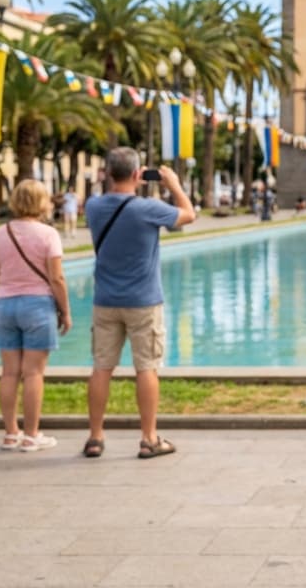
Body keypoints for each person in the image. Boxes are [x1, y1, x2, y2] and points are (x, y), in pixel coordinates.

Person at [83, 148, 195, 460]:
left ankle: (95, 437)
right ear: (137, 174)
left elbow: (110, 198)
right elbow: (188, 215)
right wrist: (173, 184)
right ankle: (149, 438)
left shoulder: (93, 206)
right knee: (146, 368)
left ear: (107, 173)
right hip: (144, 301)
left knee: (101, 368)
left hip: (105, 300)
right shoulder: (148, 209)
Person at [0, 180, 72, 452]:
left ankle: (11, 434)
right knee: (34, 373)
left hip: (5, 305)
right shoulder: (48, 234)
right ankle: (32, 435)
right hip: (37, 305)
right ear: (42, 202)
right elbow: (56, 278)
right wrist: (66, 311)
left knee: (9, 373)